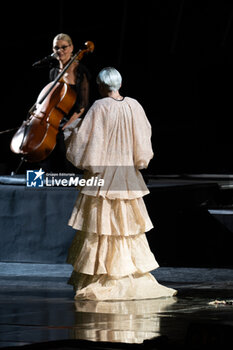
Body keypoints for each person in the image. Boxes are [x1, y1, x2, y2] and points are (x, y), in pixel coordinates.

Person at [65, 67, 177, 300]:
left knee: (104, 227)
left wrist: (70, 132)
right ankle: (124, 272)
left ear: (102, 86)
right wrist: (139, 161)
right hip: (126, 175)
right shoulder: (133, 105)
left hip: (104, 177)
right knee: (124, 227)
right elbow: (144, 140)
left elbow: (87, 143)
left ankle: (105, 275)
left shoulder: (99, 107)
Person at [41, 33, 91, 173]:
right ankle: (48, 177)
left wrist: (68, 123)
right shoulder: (53, 72)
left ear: (71, 48)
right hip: (58, 117)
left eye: (64, 47)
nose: (60, 51)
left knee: (62, 137)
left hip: (75, 118)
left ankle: (66, 176)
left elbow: (83, 104)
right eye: (56, 48)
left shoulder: (80, 71)